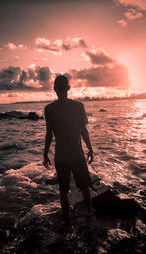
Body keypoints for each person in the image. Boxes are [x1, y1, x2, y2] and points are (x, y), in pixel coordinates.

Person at [43, 75, 94, 225]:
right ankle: (90, 213)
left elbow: (49, 134)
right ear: (68, 88)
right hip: (77, 155)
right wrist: (90, 149)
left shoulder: (49, 109)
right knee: (85, 187)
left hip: (61, 157)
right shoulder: (78, 106)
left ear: (54, 89)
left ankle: (67, 220)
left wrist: (45, 153)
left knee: (63, 191)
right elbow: (83, 131)